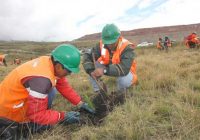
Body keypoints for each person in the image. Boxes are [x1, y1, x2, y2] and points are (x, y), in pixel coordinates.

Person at [0, 44, 95, 139]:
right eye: (69, 71)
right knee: (39, 124)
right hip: (7, 113)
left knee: (51, 91)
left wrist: (79, 103)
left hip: (13, 100)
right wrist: (62, 116)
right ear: (58, 66)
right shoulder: (42, 80)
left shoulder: (49, 62)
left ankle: (40, 114)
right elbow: (36, 115)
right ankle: (25, 124)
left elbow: (63, 85)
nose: (69, 74)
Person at [82, 24, 138, 93]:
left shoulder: (127, 47)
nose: (110, 45)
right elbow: (87, 55)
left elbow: (124, 68)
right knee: (93, 68)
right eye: (107, 42)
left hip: (127, 71)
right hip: (108, 67)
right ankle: (99, 92)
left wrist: (104, 70)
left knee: (124, 81)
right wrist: (91, 71)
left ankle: (120, 93)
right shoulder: (101, 44)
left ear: (119, 38)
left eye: (113, 42)